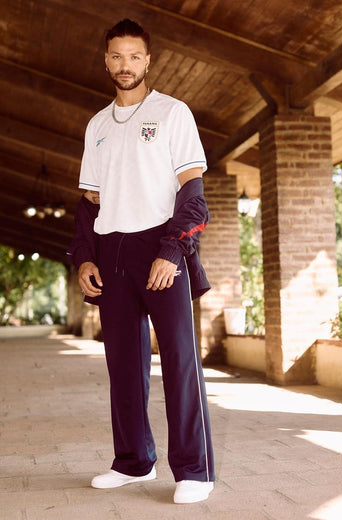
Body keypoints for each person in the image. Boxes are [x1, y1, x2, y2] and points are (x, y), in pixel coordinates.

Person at [67, 18, 215, 504]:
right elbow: (89, 203)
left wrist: (172, 251)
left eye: (134, 56)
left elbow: (192, 193)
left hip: (159, 245)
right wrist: (84, 256)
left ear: (148, 60)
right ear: (105, 60)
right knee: (123, 365)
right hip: (111, 252)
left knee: (178, 359)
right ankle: (133, 462)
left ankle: (194, 470)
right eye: (116, 56)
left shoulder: (172, 113)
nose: (124, 65)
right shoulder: (97, 125)